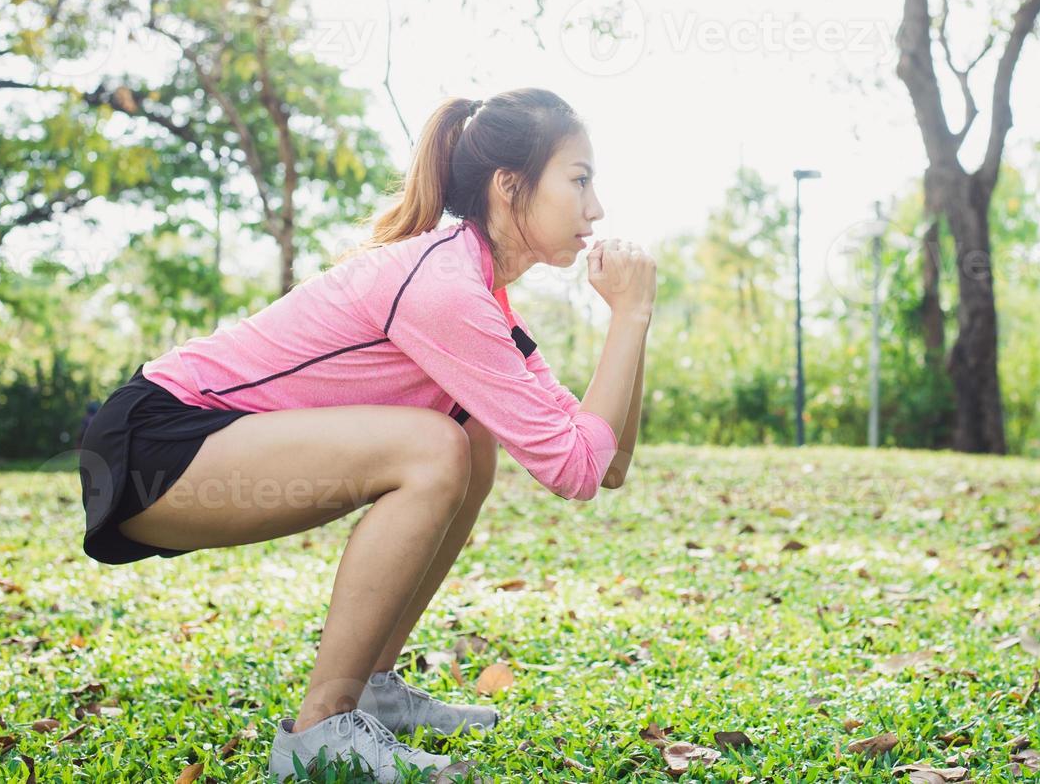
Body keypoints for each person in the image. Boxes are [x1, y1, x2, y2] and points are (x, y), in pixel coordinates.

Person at [76, 89, 655, 782]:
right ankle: (320, 733)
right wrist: (627, 318)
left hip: (196, 444)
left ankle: (375, 687)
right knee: (435, 444)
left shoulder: (481, 296)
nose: (596, 208)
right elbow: (577, 470)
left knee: (466, 434)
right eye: (580, 179)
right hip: (153, 446)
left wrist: (636, 321)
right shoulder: (443, 287)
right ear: (510, 187)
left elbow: (604, 460)